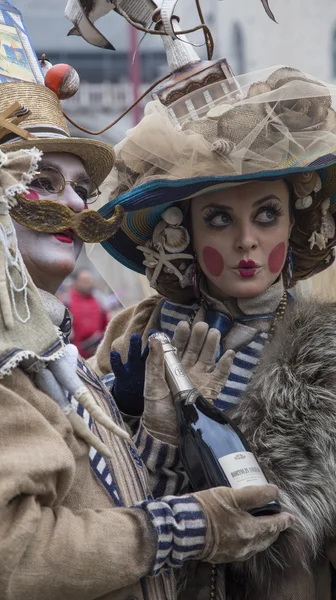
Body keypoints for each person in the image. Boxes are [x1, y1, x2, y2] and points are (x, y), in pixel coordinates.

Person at [0, 2, 292, 600]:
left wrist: (156, 429)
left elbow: (107, 509)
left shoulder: (48, 346)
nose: (74, 207)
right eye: (43, 182)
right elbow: (2, 559)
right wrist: (193, 526)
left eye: (79, 189)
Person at [92, 38, 336, 600]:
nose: (247, 242)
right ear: (187, 233)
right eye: (220, 219)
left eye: (266, 215)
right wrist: (134, 416)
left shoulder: (324, 344)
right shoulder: (136, 337)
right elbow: (100, 507)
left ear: (293, 226)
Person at [68, 268, 110, 358]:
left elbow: (106, 325)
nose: (88, 284)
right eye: (84, 281)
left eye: (89, 281)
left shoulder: (99, 300)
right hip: (75, 354)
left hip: (96, 353)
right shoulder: (67, 301)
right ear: (75, 282)